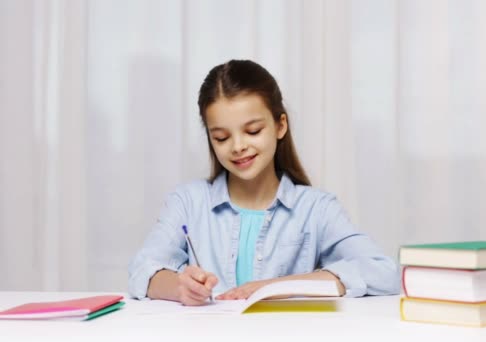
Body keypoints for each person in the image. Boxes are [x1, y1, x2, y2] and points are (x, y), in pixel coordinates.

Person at [128, 59, 400, 305]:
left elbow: (382, 272)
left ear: (280, 125)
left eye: (253, 131)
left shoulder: (317, 209)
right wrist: (180, 287)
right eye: (221, 137)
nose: (238, 146)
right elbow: (143, 269)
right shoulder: (187, 202)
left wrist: (274, 288)